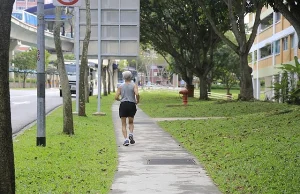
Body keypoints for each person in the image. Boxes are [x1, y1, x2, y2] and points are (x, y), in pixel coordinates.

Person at [115, 71, 140, 146]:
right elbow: (137, 94)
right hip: (131, 104)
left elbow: (116, 97)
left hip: (123, 105)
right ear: (131, 77)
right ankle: (131, 134)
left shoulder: (120, 86)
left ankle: (126, 140)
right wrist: (137, 100)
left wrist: (120, 100)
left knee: (123, 124)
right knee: (131, 122)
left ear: (123, 77)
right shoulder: (134, 85)